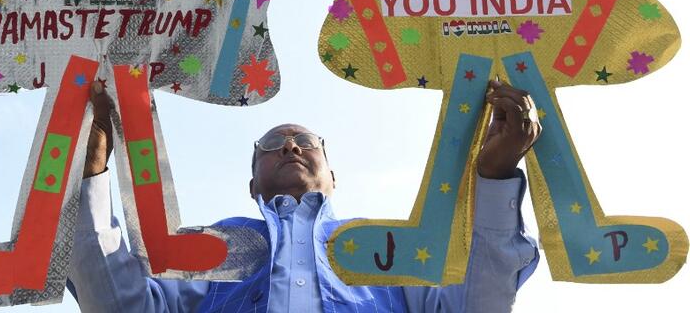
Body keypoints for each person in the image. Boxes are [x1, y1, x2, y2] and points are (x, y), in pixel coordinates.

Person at [67, 80, 542, 312]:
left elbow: (477, 305)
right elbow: (117, 305)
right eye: (272, 146)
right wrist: (93, 174)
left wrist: (495, 176)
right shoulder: (210, 249)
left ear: (332, 175)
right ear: (253, 184)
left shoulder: (389, 250)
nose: (290, 146)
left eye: (304, 141)